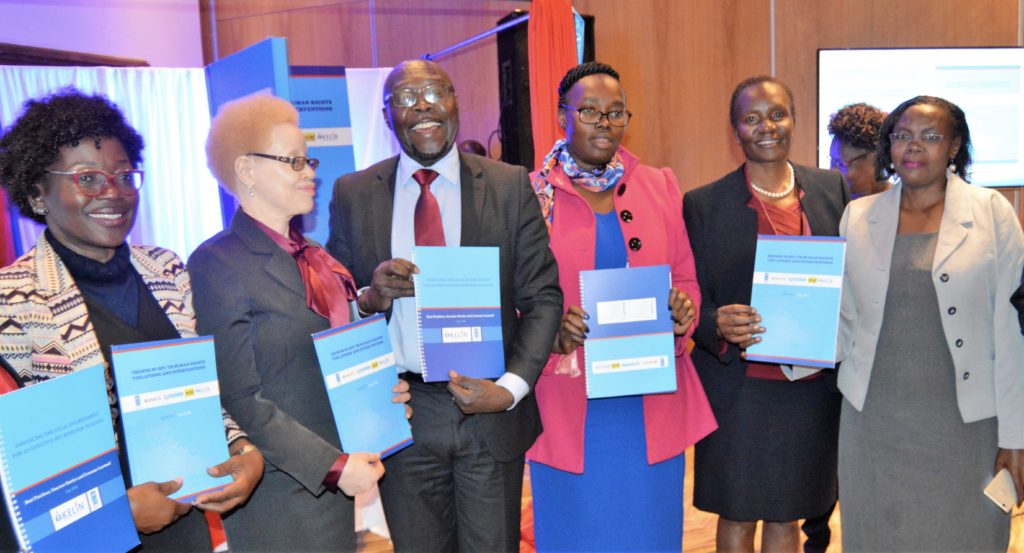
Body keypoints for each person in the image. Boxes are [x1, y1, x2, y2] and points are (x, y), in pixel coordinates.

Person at [0, 90, 263, 550]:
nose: (114, 193)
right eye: (88, 178)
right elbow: (18, 470)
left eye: (124, 176)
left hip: (188, 516)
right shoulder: (11, 300)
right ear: (36, 193)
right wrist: (117, 508)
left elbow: (195, 391)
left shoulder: (166, 269)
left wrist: (242, 450)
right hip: (90, 537)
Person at [326, 59, 562, 552]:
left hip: (490, 408)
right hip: (405, 412)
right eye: (407, 99)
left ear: (456, 103)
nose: (424, 106)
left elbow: (542, 298)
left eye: (436, 92)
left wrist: (511, 388)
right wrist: (370, 299)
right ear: (389, 117)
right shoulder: (353, 194)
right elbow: (333, 304)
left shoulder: (509, 185)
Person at [187, 94, 410, 552]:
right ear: (247, 171)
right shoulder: (217, 263)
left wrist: (380, 400)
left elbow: (332, 355)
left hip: (333, 480)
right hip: (279, 491)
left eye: (308, 160)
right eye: (294, 162)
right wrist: (331, 466)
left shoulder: (314, 256)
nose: (310, 172)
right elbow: (240, 397)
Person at [524, 62, 717, 551]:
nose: (603, 123)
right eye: (589, 111)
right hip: (568, 402)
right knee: (577, 533)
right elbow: (513, 298)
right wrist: (550, 331)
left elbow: (686, 278)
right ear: (562, 115)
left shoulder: (658, 185)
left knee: (648, 533)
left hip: (647, 399)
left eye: (616, 113)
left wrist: (682, 312)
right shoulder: (529, 195)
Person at [838, 95, 1024, 551]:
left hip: (968, 428)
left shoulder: (992, 213)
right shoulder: (859, 217)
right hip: (874, 422)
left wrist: (1016, 436)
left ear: (955, 146)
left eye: (930, 137)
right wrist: (782, 338)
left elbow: (1012, 331)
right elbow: (842, 320)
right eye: (902, 136)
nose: (913, 148)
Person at [683, 76, 848, 552]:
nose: (766, 127)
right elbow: (691, 297)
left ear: (793, 119)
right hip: (741, 388)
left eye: (777, 114)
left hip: (810, 390)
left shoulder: (830, 189)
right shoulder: (704, 204)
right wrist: (716, 322)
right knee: (736, 515)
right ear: (735, 130)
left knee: (787, 516)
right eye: (751, 118)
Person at [828, 102, 890, 198]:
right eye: (832, 162)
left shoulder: (904, 207)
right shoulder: (831, 207)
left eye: (839, 163)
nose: (832, 171)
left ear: (876, 160)